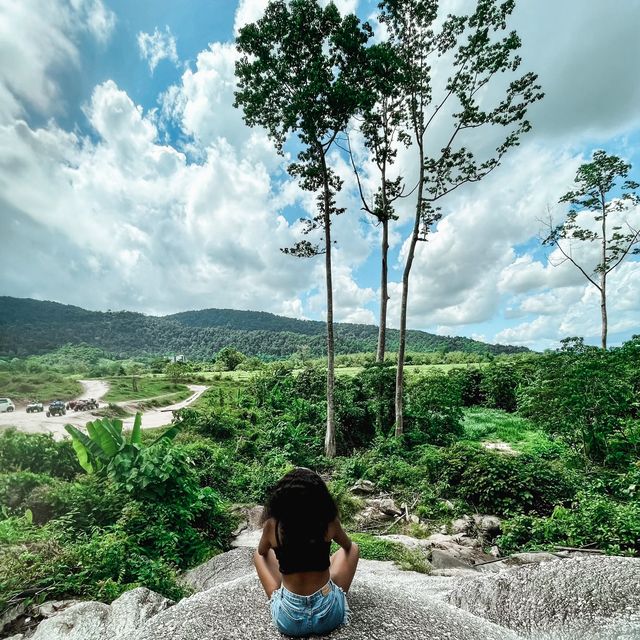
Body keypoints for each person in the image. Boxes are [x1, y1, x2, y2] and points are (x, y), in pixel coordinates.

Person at [254, 467, 360, 637]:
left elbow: (261, 551)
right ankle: (325, 593)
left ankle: (278, 594)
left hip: (289, 621)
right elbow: (348, 547)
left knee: (258, 555)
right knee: (354, 548)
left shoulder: (273, 525)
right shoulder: (328, 522)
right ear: (320, 497)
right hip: (329, 617)